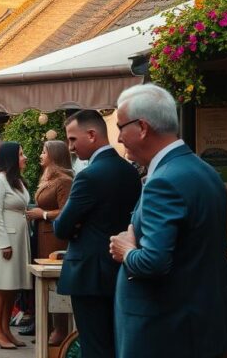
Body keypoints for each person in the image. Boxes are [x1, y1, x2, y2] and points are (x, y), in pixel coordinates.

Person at [109, 84, 227, 358]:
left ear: (142, 127)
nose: (118, 138)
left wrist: (126, 250)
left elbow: (153, 262)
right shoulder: (206, 172)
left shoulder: (163, 181)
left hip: (162, 332)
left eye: (120, 128)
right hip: (200, 327)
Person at [53, 109, 141, 358]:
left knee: (94, 346)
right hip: (120, 270)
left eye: (72, 139)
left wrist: (79, 224)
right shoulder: (130, 171)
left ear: (91, 135)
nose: (70, 147)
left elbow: (62, 227)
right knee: (115, 343)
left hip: (90, 274)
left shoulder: (90, 176)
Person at [24, 140, 72, 344]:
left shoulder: (63, 180)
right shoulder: (49, 177)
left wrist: (42, 214)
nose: (40, 155)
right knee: (46, 284)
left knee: (56, 282)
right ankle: (50, 326)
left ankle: (60, 329)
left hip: (55, 237)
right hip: (43, 234)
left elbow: (66, 211)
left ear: (54, 155)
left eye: (44, 152)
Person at [0, 142, 32, 350]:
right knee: (2, 287)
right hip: (6, 240)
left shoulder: (17, 181)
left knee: (12, 287)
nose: (25, 158)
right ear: (11, 158)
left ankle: (6, 330)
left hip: (19, 239)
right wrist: (4, 243)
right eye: (21, 154)